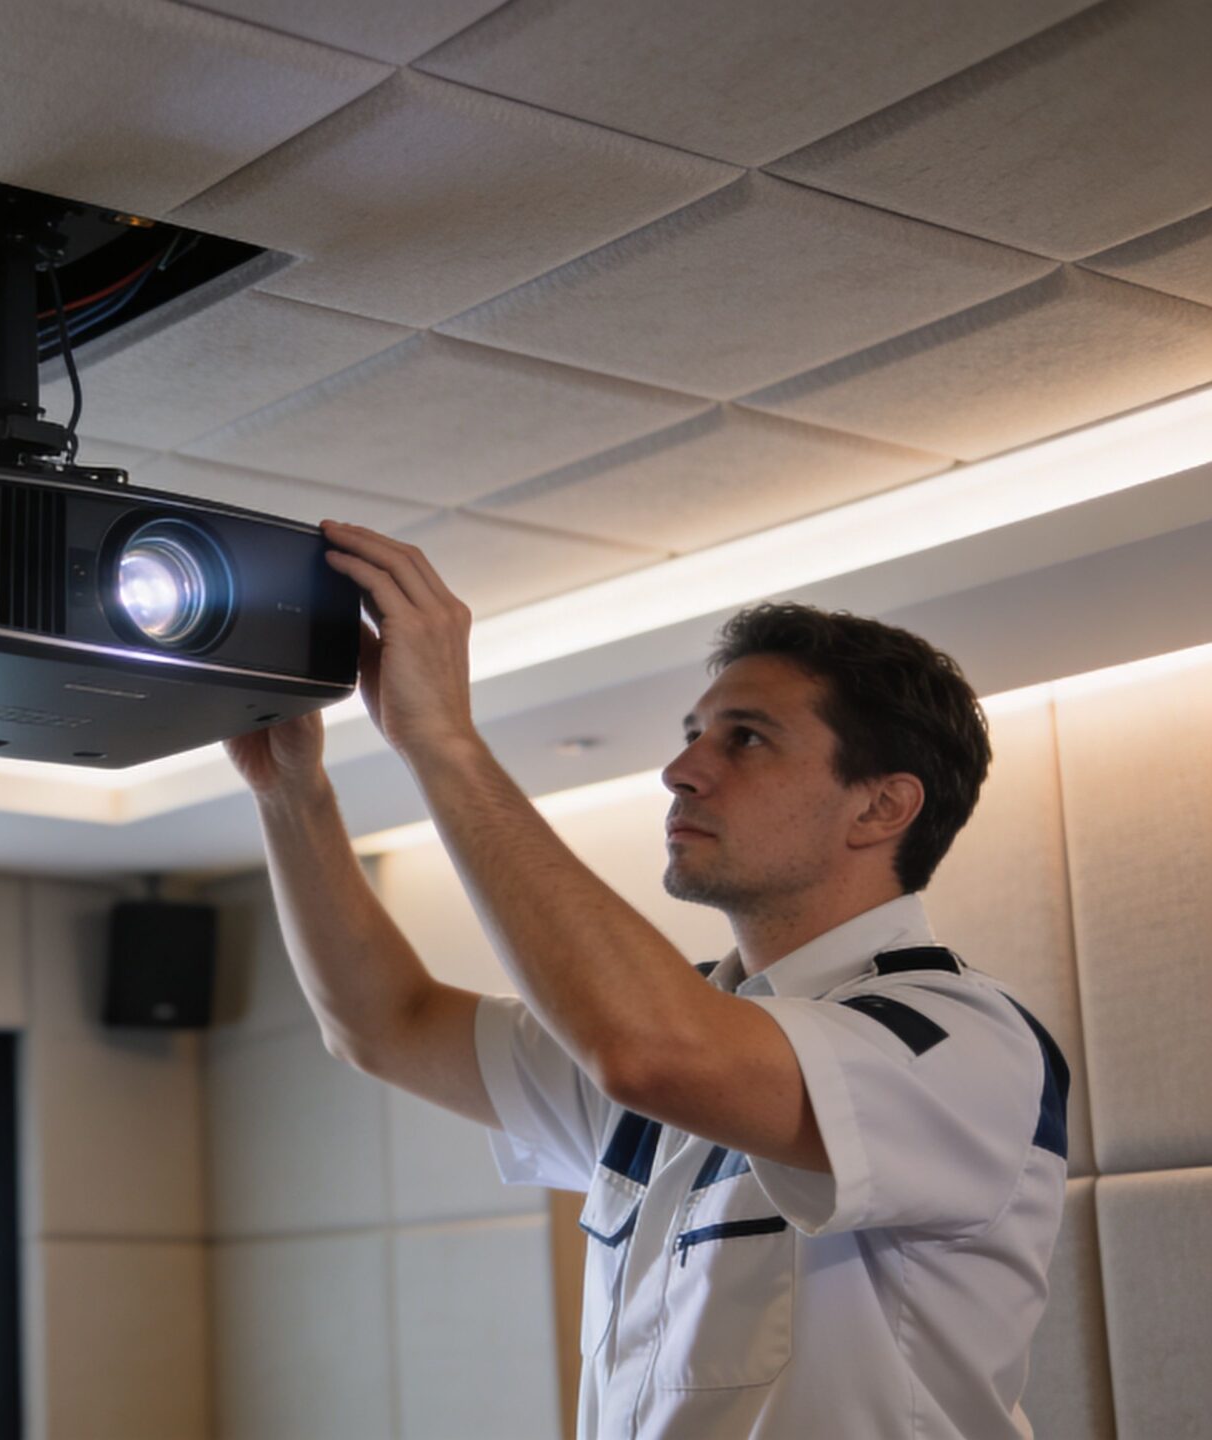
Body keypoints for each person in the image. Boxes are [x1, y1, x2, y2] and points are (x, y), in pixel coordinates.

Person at [227, 521, 1069, 1439]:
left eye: (745, 739)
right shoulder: (695, 1023)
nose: (679, 771)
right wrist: (290, 792)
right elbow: (385, 1023)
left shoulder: (956, 1036)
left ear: (881, 806)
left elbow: (648, 1050)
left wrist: (443, 742)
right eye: (693, 734)